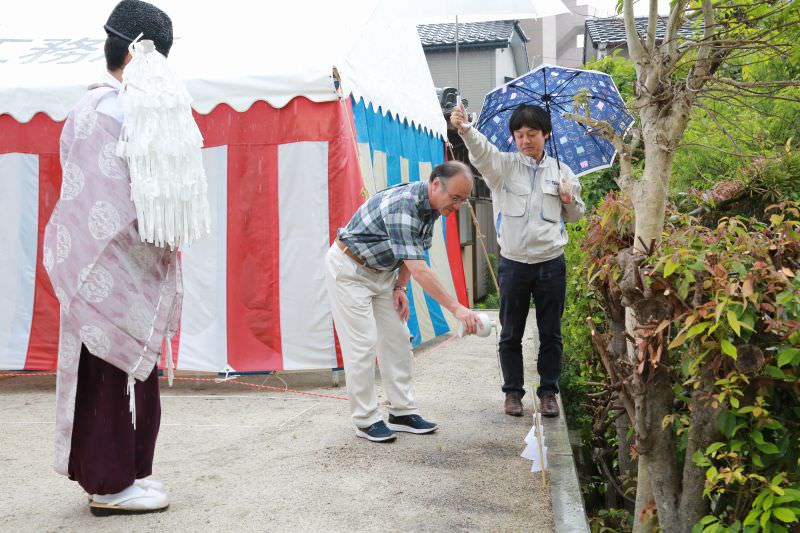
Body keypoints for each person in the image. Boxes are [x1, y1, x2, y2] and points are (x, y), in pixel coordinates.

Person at [44, 0, 209, 515]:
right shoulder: (104, 108)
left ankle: (131, 473)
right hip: (106, 264)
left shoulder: (120, 106)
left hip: (128, 264)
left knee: (133, 374)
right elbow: (104, 200)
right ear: (141, 56)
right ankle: (109, 484)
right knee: (108, 373)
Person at [326, 161, 480, 442]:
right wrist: (457, 308)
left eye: (463, 200)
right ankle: (365, 420)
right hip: (350, 270)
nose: (457, 206)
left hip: (383, 274)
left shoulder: (433, 208)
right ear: (436, 184)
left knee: (397, 338)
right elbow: (421, 268)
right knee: (362, 343)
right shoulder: (404, 205)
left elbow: (416, 250)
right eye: (455, 198)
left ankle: (401, 412)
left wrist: (400, 286)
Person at [450, 103, 585, 418]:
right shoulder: (503, 167)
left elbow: (577, 215)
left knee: (551, 332)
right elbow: (482, 153)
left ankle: (549, 392)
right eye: (520, 134)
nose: (526, 140)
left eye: (532, 134)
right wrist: (466, 129)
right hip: (513, 263)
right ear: (513, 137)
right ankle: (513, 394)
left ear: (545, 134)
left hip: (551, 263)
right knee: (511, 332)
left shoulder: (562, 171)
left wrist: (569, 198)